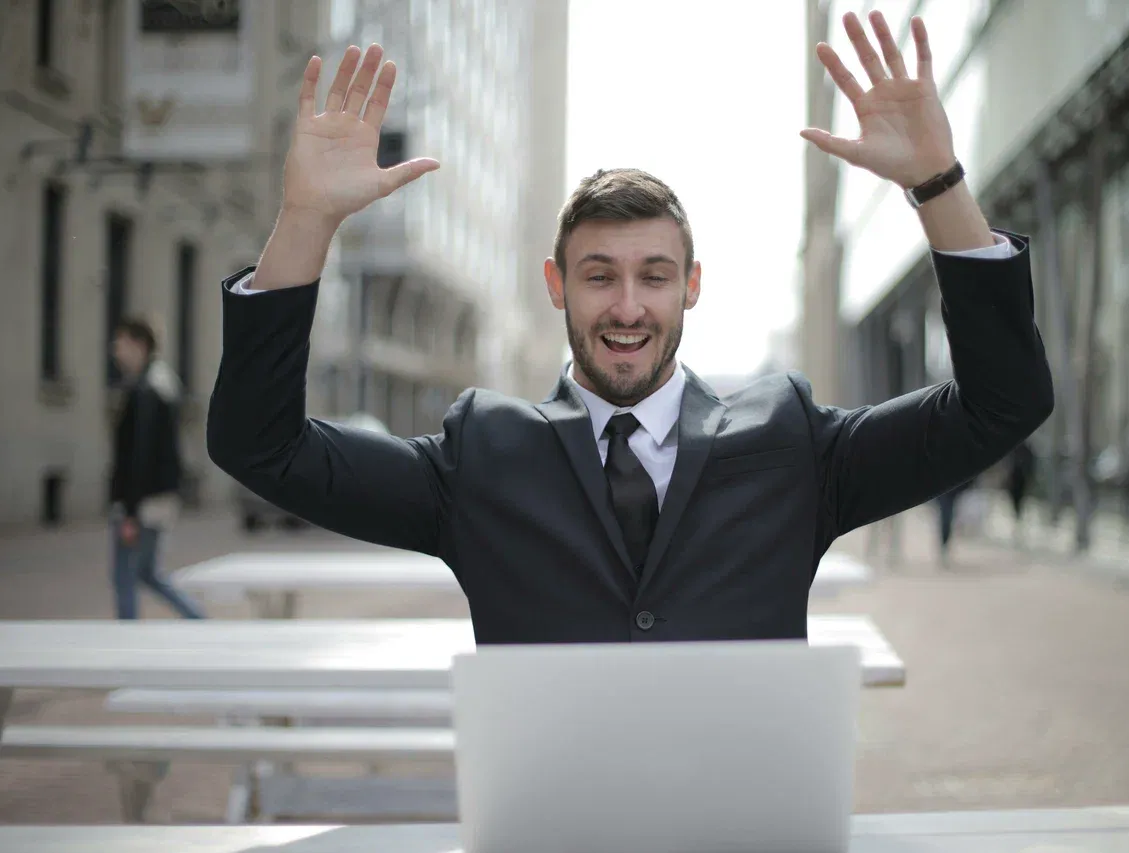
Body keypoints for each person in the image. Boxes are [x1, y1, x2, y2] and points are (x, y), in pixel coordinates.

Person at [207, 12, 1054, 644]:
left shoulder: (794, 446)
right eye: (598, 276)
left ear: (691, 288)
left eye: (654, 276)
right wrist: (306, 221)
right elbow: (261, 446)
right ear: (556, 287)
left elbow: (1002, 403)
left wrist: (939, 185)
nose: (625, 307)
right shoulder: (480, 459)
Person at [109, 317, 204, 620]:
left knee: (125, 574)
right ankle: (200, 621)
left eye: (121, 343)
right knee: (147, 573)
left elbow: (140, 455)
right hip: (157, 497)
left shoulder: (147, 390)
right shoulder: (160, 383)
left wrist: (130, 511)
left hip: (143, 502)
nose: (115, 350)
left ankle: (128, 642)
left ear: (139, 345)